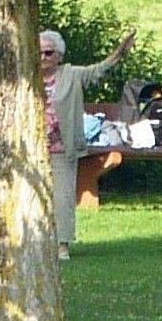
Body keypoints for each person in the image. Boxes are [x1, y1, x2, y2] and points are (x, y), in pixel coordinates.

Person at [39, 26, 135, 260]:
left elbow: (99, 70)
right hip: (32, 146)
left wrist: (119, 52)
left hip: (62, 145)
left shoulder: (71, 74)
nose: (43, 58)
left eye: (48, 53)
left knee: (62, 196)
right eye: (39, 53)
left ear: (59, 56)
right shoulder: (26, 75)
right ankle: (34, 242)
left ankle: (62, 245)